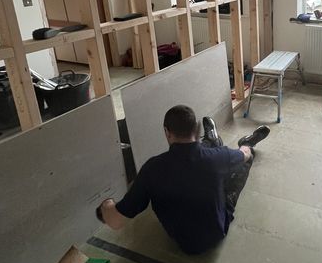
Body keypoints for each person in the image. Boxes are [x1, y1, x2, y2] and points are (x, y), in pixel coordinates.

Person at [96, 105, 270, 254]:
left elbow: (116, 221)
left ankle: (212, 139)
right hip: (216, 230)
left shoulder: (152, 168)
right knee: (238, 162)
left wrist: (106, 205)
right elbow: (244, 156)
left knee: (215, 163)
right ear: (195, 129)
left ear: (166, 132)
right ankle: (242, 141)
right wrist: (245, 148)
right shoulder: (217, 158)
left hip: (183, 241)